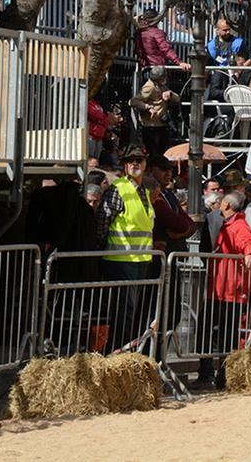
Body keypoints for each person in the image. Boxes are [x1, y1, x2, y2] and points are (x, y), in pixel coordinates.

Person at [94, 146, 155, 350]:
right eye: (130, 160)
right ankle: (118, 351)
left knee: (131, 311)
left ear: (145, 164)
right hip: (120, 260)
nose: (135, 163)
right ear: (124, 165)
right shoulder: (118, 189)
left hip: (140, 260)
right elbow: (103, 220)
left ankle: (123, 349)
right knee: (123, 312)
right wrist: (102, 247)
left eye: (139, 160)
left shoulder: (144, 192)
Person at [206, 191, 251, 388]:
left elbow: (249, 242)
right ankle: (218, 373)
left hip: (229, 289)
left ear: (227, 205)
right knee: (219, 330)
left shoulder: (238, 225)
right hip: (223, 288)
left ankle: (219, 373)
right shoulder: (231, 224)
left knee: (221, 331)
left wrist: (250, 254)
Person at [129, 66, 176, 156]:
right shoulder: (149, 87)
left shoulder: (162, 86)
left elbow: (177, 99)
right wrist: (148, 107)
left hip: (161, 125)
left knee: (162, 154)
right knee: (153, 154)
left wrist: (170, 94)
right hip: (151, 126)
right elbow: (133, 101)